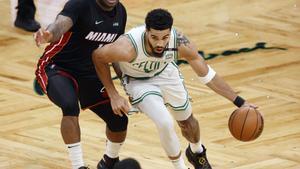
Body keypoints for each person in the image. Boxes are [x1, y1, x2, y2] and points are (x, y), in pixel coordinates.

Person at [92, 8, 258, 169]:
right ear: (146, 32)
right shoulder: (128, 47)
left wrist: (240, 102)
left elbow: (207, 75)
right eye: (154, 37)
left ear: (170, 32)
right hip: (138, 81)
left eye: (165, 37)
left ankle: (197, 153)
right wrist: (113, 94)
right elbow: (98, 57)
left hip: (166, 73)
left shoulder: (179, 42)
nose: (160, 43)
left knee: (187, 121)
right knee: (164, 122)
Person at [33, 0, 130, 169]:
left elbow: (113, 52)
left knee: (119, 119)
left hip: (90, 73)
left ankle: (109, 161)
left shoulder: (121, 12)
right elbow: (61, 24)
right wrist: (49, 34)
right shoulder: (80, 4)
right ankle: (78, 166)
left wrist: (129, 83)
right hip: (58, 67)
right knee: (70, 106)